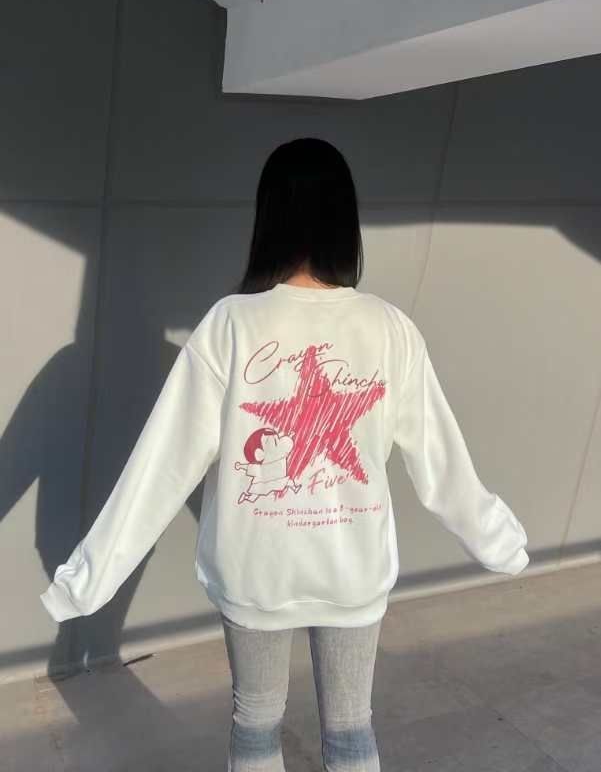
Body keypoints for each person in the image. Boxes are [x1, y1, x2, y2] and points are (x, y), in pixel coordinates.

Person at [40, 137, 529, 771]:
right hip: (351, 568)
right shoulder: (389, 328)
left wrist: (83, 582)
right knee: (351, 729)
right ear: (345, 221)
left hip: (256, 571)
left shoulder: (231, 324)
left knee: (255, 725)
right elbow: (443, 463)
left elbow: (161, 468)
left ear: (268, 217)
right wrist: (499, 542)